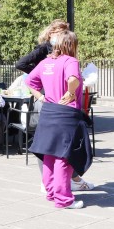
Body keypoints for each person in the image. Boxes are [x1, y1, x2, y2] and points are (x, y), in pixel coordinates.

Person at [27, 30, 92, 210]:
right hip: (65, 113)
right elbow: (72, 79)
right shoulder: (70, 61)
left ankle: (51, 192)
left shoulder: (45, 62)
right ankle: (63, 199)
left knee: (48, 153)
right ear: (71, 45)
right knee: (64, 156)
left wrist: (40, 97)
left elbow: (30, 81)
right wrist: (71, 93)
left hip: (48, 111)